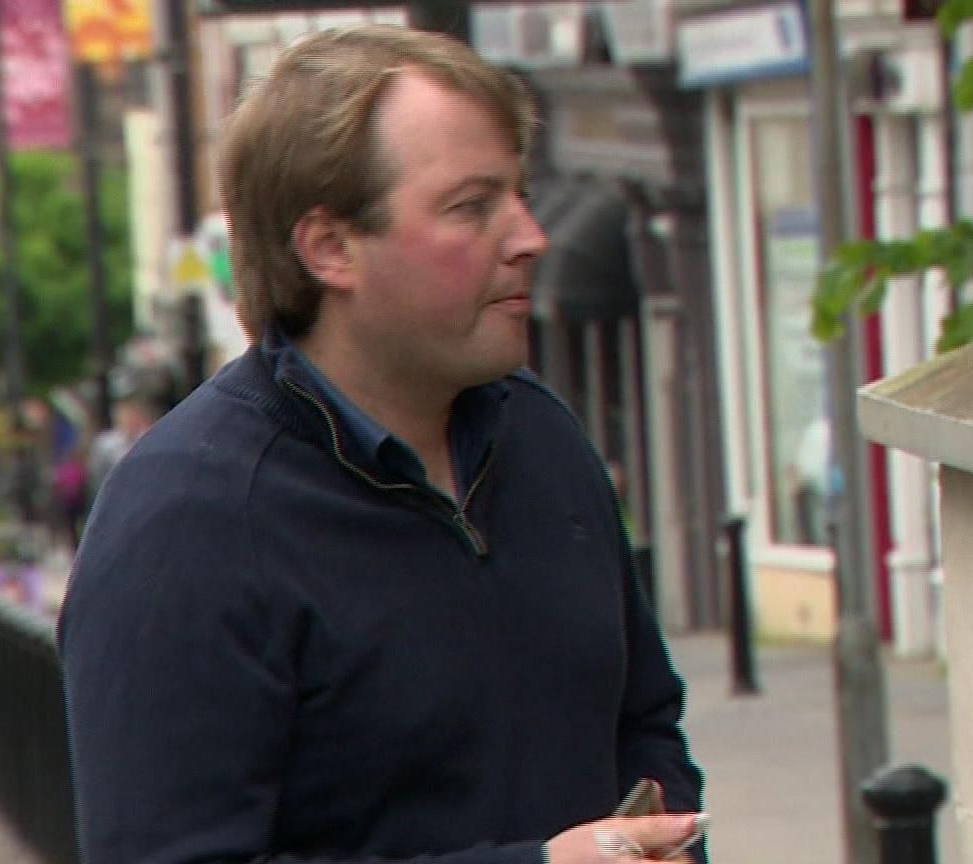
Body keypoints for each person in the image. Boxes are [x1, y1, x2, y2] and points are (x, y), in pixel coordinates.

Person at [58, 24, 705, 864]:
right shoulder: (191, 521)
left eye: (520, 194)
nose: (529, 237)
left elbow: (642, 719)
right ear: (330, 247)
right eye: (471, 207)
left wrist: (665, 837)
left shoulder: (540, 435)